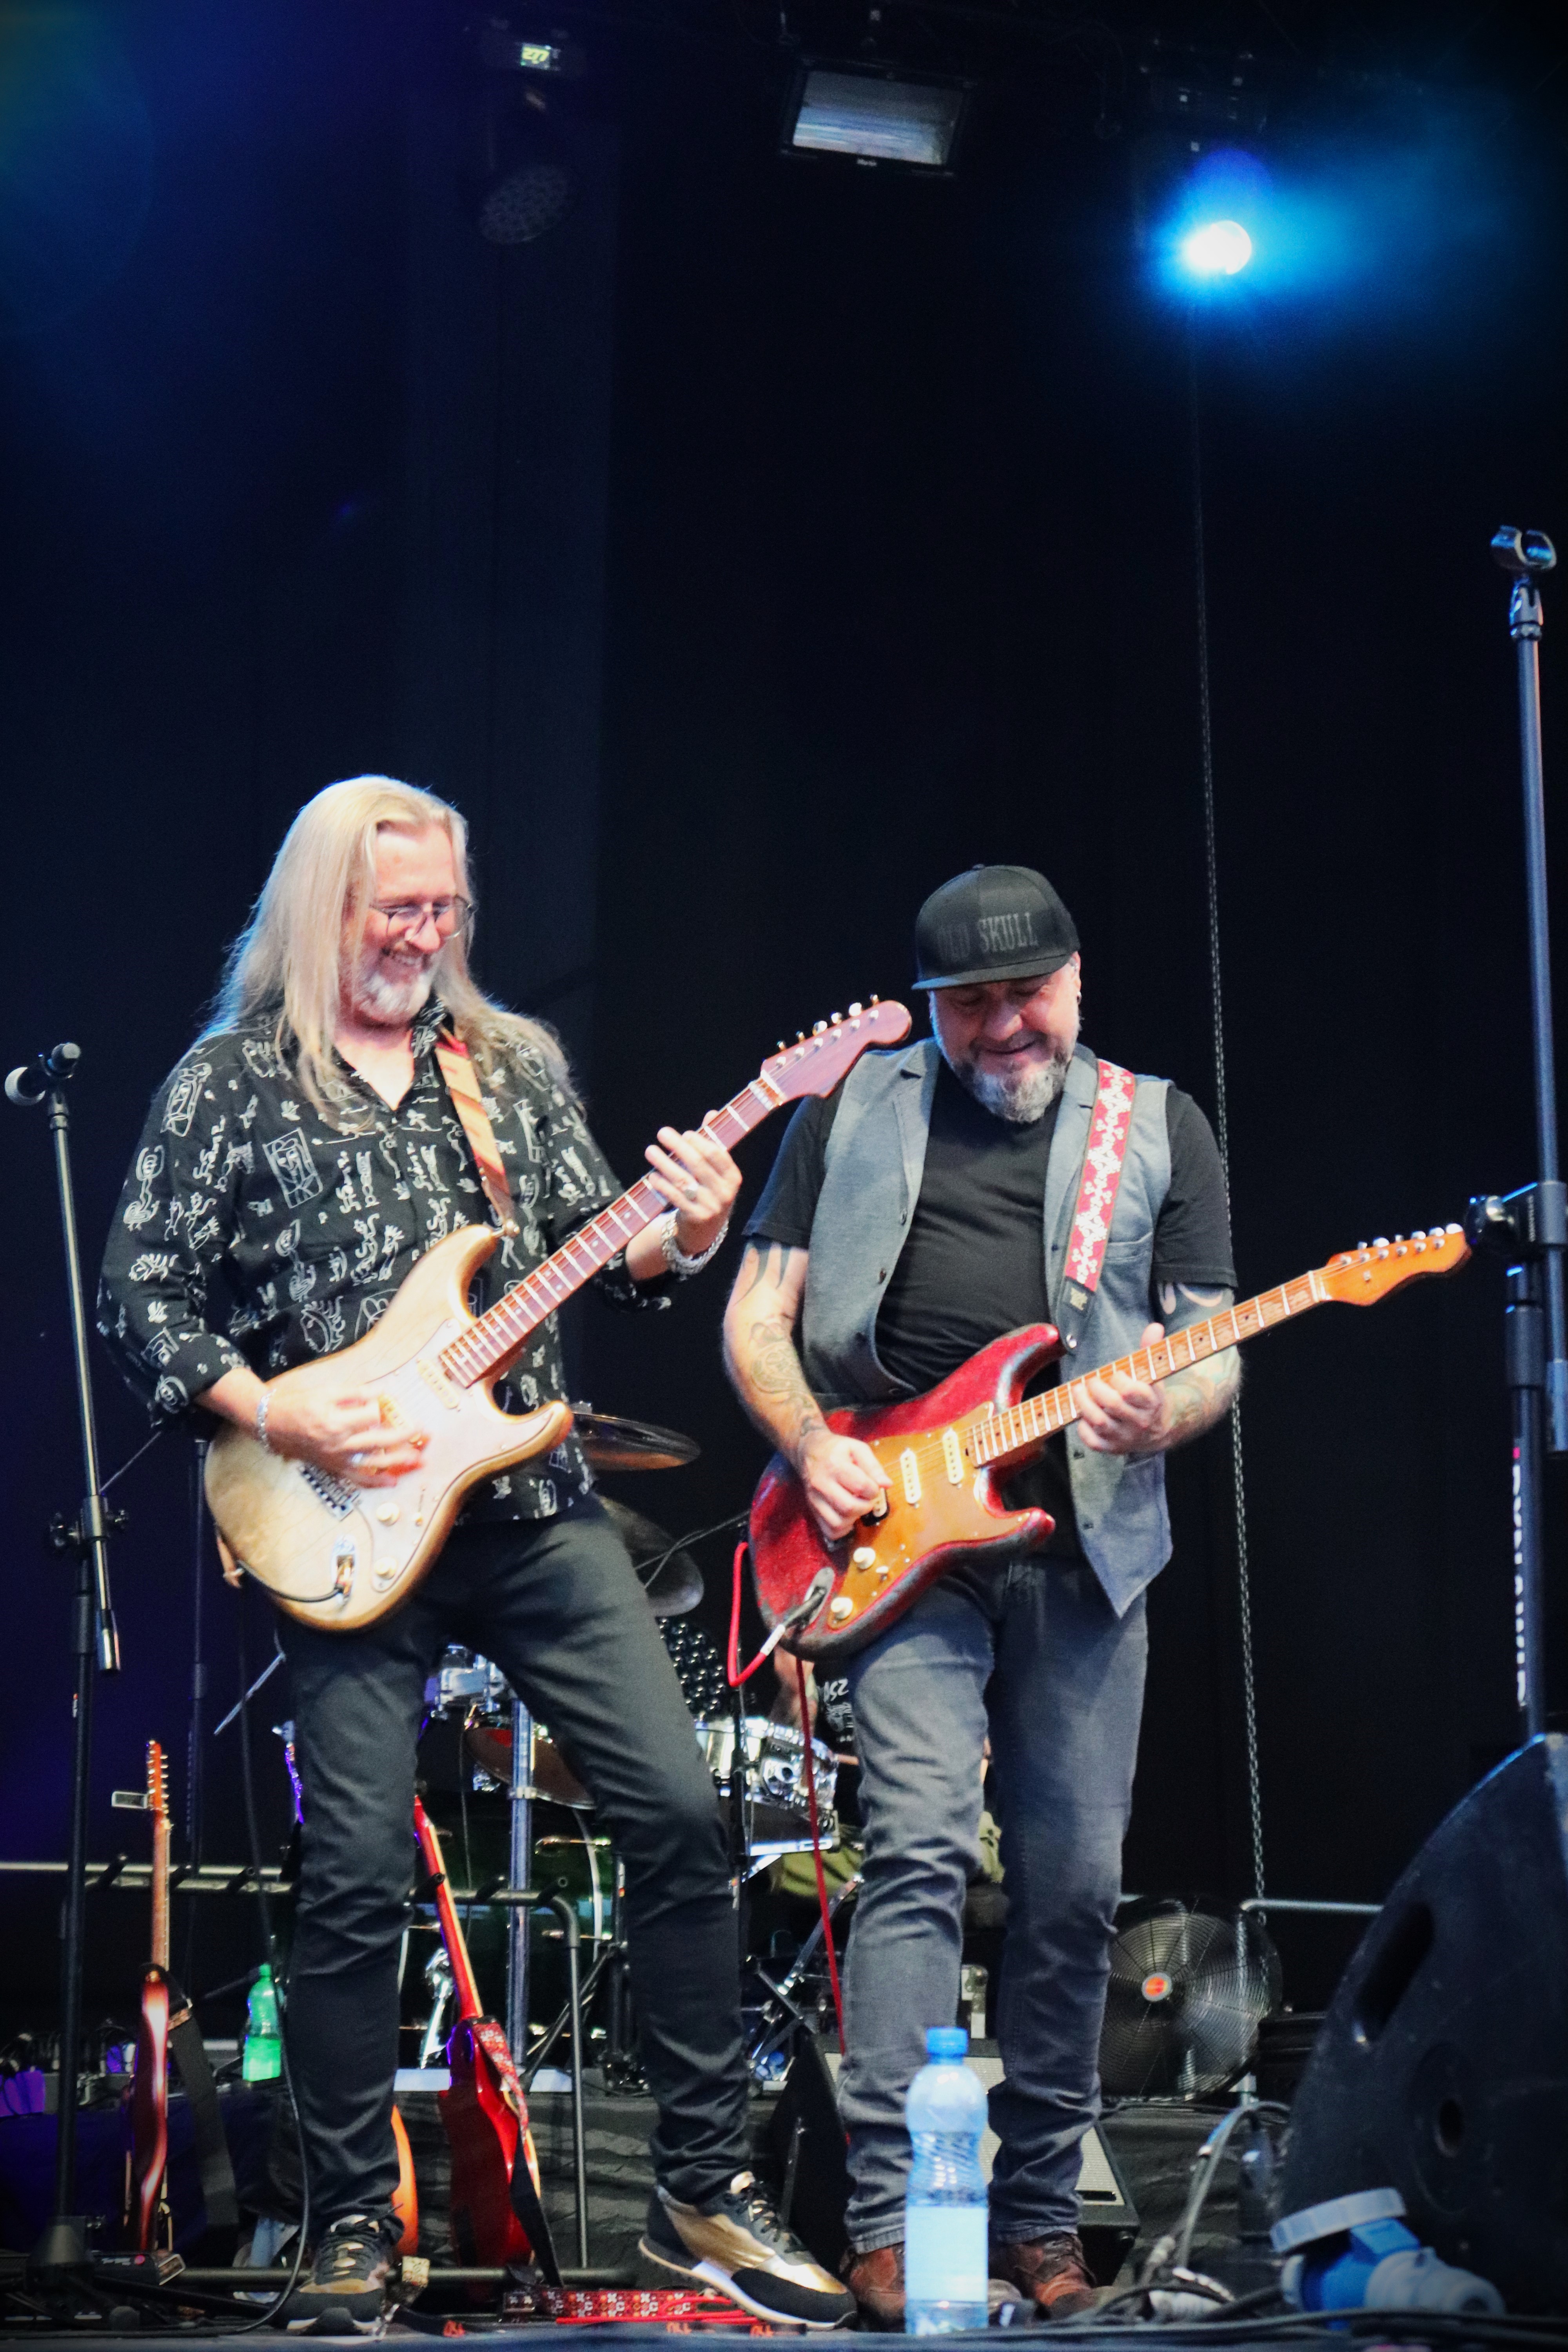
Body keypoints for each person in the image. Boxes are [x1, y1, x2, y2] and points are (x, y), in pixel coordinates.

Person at [98, 776, 854, 2334]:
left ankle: (701, 2194)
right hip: (341, 1519)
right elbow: (142, 1295)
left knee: (681, 1816)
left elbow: (609, 1254)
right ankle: (347, 2225)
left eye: (444, 910)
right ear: (324, 906)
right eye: (397, 910)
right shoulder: (231, 1083)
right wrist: (276, 1411)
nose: (425, 936)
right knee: (354, 1874)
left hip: (527, 1506)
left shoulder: (503, 1066)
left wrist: (693, 1228)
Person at [723, 862, 1240, 2324]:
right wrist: (810, 1442)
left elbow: (1209, 1341)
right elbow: (760, 1312)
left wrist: (1168, 1409)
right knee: (920, 1854)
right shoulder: (851, 1110)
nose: (1008, 1026)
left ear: (1076, 981)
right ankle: (890, 2223)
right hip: (899, 1542)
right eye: (974, 1005)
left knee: (1073, 1891)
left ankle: (1037, 2225)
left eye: (1032, 995)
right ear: (932, 1006)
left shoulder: (1158, 1126)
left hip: (1087, 1548)